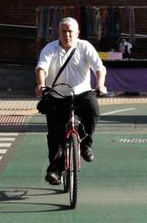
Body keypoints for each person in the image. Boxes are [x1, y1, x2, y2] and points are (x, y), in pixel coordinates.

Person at [34, 16, 106, 187]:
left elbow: (99, 68)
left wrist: (100, 85)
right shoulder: (49, 48)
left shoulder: (85, 47)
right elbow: (41, 68)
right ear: (58, 33)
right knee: (55, 135)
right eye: (63, 31)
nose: (67, 35)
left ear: (77, 33)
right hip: (56, 95)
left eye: (70, 32)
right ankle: (55, 171)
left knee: (93, 111)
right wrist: (41, 85)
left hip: (81, 93)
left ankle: (85, 144)